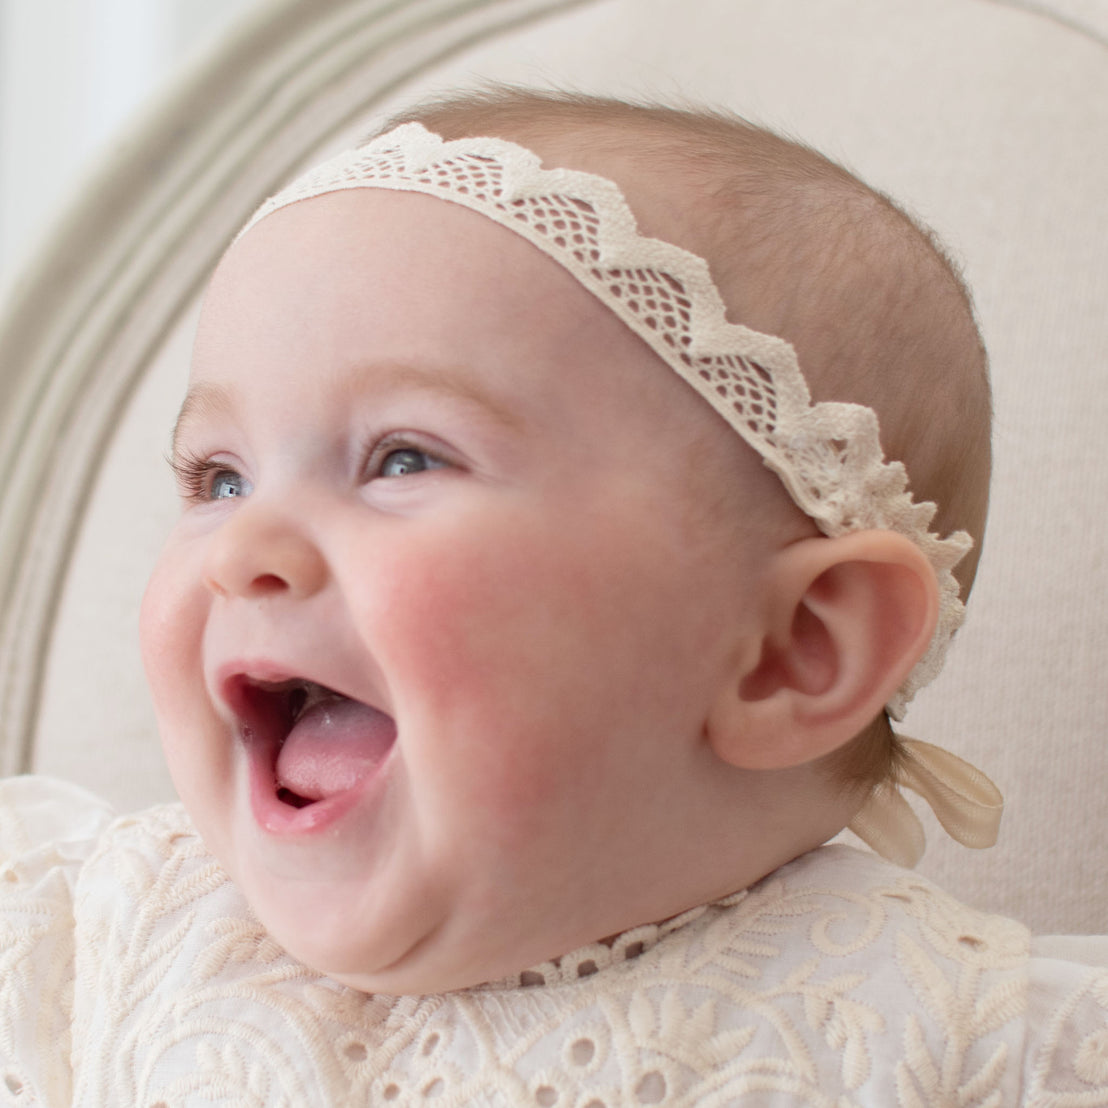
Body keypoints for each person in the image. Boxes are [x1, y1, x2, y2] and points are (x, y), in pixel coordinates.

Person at [2, 89, 1105, 1105]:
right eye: (218, 476)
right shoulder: (87, 927)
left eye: (402, 458)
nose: (245, 546)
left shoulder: (964, 1038)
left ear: (789, 650)